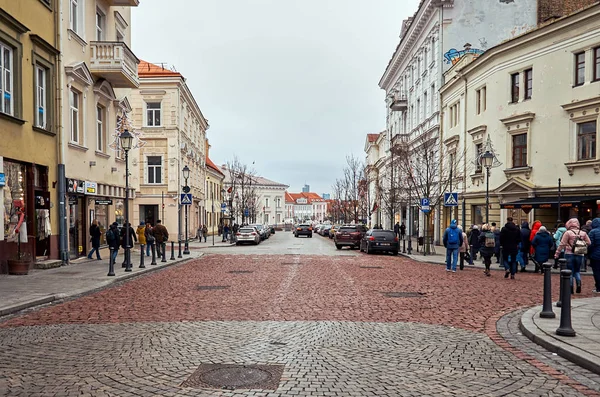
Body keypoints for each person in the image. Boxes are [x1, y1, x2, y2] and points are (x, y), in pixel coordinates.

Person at [555, 218, 591, 294]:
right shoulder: (583, 233)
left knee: (569, 271)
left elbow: (562, 244)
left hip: (569, 253)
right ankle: (578, 284)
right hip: (580, 253)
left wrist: (557, 253)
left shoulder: (567, 233)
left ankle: (570, 287)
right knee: (577, 271)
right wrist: (581, 246)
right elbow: (589, 242)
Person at [587, 218, 600, 293]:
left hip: (596, 255)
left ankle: (598, 287)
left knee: (597, 271)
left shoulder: (593, 232)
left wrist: (589, 253)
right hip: (596, 253)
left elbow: (590, 244)